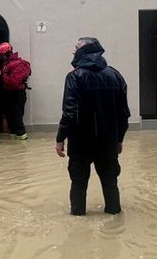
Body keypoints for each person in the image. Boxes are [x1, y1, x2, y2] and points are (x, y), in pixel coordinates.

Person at [55, 37, 130, 216]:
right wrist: (119, 139)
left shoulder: (74, 77)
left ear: (85, 50)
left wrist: (60, 138)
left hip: (81, 142)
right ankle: (115, 223)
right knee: (110, 182)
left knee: (79, 183)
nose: (73, 52)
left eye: (76, 48)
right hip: (108, 141)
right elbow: (124, 114)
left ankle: (77, 223)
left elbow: (69, 113)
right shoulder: (115, 75)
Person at [0, 42, 32, 140]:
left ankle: (21, 134)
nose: (0, 57)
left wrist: (2, 76)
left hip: (17, 93)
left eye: (1, 55)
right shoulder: (7, 64)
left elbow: (14, 82)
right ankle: (14, 134)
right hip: (9, 93)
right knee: (10, 115)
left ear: (7, 53)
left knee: (17, 115)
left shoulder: (18, 64)